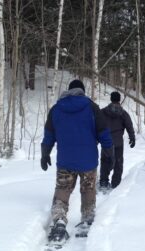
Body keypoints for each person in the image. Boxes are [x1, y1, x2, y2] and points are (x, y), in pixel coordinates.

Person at [40, 79, 114, 242]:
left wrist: (45, 153)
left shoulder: (56, 109)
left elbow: (49, 135)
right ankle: (87, 219)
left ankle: (59, 220)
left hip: (65, 160)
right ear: (81, 91)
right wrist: (109, 151)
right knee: (88, 189)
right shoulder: (91, 107)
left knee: (63, 190)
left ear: (68, 90)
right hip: (88, 160)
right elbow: (103, 132)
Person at [99, 91, 135, 191]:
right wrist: (132, 137)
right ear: (119, 100)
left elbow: (97, 125)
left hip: (106, 142)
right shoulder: (123, 113)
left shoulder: (103, 112)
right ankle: (116, 183)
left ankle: (103, 182)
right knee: (118, 162)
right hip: (118, 142)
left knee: (105, 161)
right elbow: (129, 125)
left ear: (111, 99)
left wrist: (96, 139)